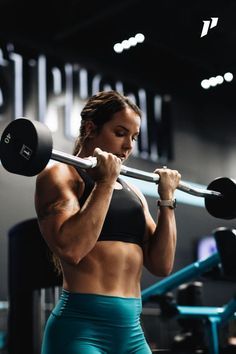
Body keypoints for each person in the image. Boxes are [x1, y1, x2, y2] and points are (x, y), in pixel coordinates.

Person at [34, 90, 181, 354]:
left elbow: (161, 265)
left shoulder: (134, 193)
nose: (129, 146)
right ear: (91, 128)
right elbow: (72, 249)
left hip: (131, 332)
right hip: (81, 331)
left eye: (134, 137)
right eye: (120, 133)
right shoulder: (59, 175)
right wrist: (104, 182)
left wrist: (167, 200)